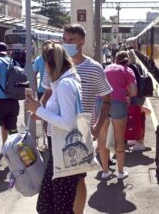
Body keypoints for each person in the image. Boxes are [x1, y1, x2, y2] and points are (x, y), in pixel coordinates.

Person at [40, 23, 112, 214]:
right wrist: (41, 119)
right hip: (54, 132)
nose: (67, 43)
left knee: (78, 178)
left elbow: (107, 100)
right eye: (64, 39)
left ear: (82, 41)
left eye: (71, 40)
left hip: (79, 133)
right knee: (58, 176)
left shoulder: (94, 68)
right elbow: (47, 95)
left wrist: (97, 128)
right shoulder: (55, 66)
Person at [25, 43, 83, 213]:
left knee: (60, 207)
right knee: (46, 206)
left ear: (50, 64)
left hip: (64, 152)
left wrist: (40, 110)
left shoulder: (65, 85)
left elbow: (67, 122)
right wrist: (40, 112)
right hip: (59, 150)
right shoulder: (65, 82)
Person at [100, 51, 137, 180]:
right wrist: (125, 93)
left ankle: (105, 171)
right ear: (128, 61)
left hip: (101, 102)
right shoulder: (128, 70)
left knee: (103, 138)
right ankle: (120, 173)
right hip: (118, 103)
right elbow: (133, 92)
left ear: (115, 60)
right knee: (119, 137)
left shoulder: (107, 68)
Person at [127, 49, 150, 151]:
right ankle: (137, 140)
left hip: (135, 96)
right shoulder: (138, 66)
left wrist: (128, 96)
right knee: (139, 118)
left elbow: (131, 85)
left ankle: (140, 142)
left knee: (136, 120)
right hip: (141, 95)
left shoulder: (130, 68)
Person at [33, 40, 52, 149]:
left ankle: (47, 140)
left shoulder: (38, 59)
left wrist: (35, 88)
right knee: (49, 115)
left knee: (44, 116)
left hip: (42, 91)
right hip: (47, 91)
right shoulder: (53, 57)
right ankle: (48, 139)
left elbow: (34, 74)